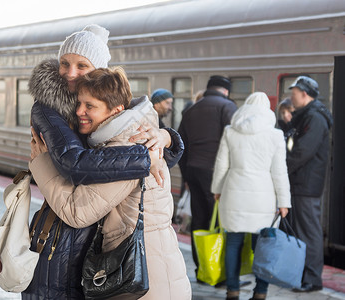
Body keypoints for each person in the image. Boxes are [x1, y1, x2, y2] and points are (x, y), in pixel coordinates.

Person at [23, 24, 184, 299]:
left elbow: (77, 208)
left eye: (90, 107)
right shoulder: (127, 134)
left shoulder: (128, 143)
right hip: (138, 269)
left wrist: (157, 146)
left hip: (143, 277)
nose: (80, 112)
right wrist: (162, 144)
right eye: (65, 63)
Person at [211, 92, 291, 300]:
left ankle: (233, 290)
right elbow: (279, 171)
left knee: (233, 243)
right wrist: (284, 202)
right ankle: (261, 292)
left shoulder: (230, 131)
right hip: (263, 197)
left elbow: (222, 164)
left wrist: (217, 190)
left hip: (233, 193)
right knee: (264, 247)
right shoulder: (275, 135)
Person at [177, 75, 237, 272]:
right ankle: (217, 270)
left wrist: (186, 176)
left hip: (193, 171)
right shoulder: (227, 107)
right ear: (226, 91)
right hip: (215, 175)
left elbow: (180, 146)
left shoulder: (191, 110)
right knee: (218, 221)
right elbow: (233, 143)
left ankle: (201, 267)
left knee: (200, 220)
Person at [286, 76, 333, 293]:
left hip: (306, 183)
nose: (290, 97)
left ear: (304, 94)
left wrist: (283, 167)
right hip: (302, 182)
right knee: (303, 231)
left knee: (309, 232)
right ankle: (304, 275)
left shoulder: (314, 118)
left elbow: (303, 151)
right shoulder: (308, 116)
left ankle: (313, 280)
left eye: (293, 93)